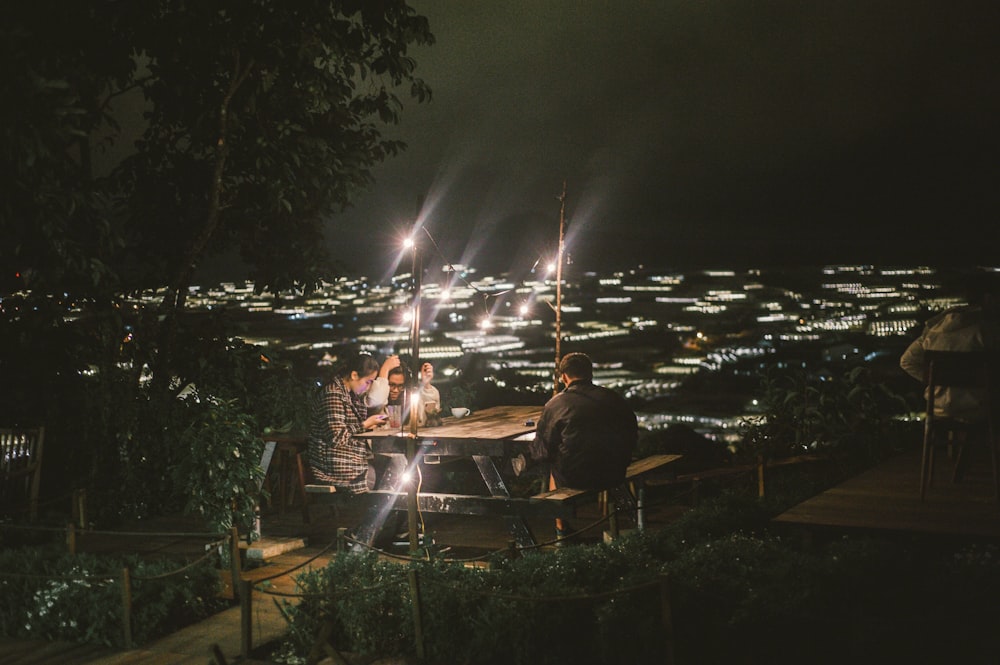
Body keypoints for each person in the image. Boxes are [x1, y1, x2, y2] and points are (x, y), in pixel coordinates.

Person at [900, 272, 1000, 422]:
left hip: (939, 407)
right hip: (982, 407)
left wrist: (934, 380)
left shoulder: (934, 329)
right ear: (988, 299)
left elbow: (907, 361)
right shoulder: (989, 331)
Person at [530, 352, 638, 490]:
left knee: (555, 468)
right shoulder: (614, 398)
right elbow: (632, 433)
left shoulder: (556, 404)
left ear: (563, 377)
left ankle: (558, 510)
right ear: (590, 374)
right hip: (614, 473)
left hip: (575, 479)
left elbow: (543, 450)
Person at [307, 353, 388, 493]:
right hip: (334, 465)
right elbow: (337, 437)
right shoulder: (332, 394)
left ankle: (387, 512)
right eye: (368, 382)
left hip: (348, 458)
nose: (368, 387)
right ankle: (381, 512)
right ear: (354, 375)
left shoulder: (349, 395)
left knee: (396, 463)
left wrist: (370, 424)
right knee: (385, 473)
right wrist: (365, 425)